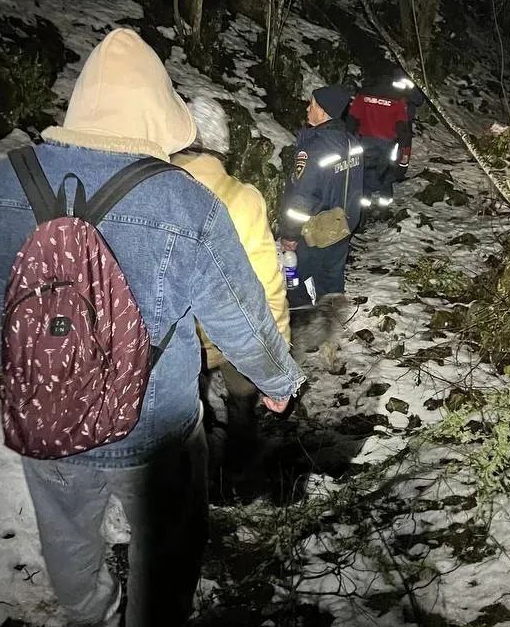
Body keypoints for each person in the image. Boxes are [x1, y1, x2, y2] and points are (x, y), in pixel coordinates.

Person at [0, 28, 304, 627]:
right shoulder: (183, 201)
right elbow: (238, 309)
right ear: (161, 115)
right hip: (157, 425)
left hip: (46, 413)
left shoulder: (0, 183)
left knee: (66, 527)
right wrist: (277, 382)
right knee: (166, 554)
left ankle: (83, 624)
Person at [172, 95, 290, 460]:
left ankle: (198, 471)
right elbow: (268, 280)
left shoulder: (149, 190)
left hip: (174, 337)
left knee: (189, 412)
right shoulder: (243, 199)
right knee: (243, 402)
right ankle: (239, 464)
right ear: (222, 145)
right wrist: (277, 356)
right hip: (232, 332)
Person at [279, 83, 363, 306]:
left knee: (294, 285)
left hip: (314, 234)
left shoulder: (313, 150)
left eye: (312, 104)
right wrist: (350, 221)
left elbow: (302, 198)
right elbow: (356, 187)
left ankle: (304, 333)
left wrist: (290, 234)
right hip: (342, 227)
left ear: (323, 111)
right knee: (332, 285)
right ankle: (331, 335)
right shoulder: (352, 143)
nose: (307, 109)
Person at [347, 69, 424, 219]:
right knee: (386, 172)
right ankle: (383, 209)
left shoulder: (363, 94)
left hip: (365, 139)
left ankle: (362, 211)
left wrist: (348, 138)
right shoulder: (397, 99)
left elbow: (352, 118)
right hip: (388, 141)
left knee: (365, 172)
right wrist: (405, 149)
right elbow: (403, 124)